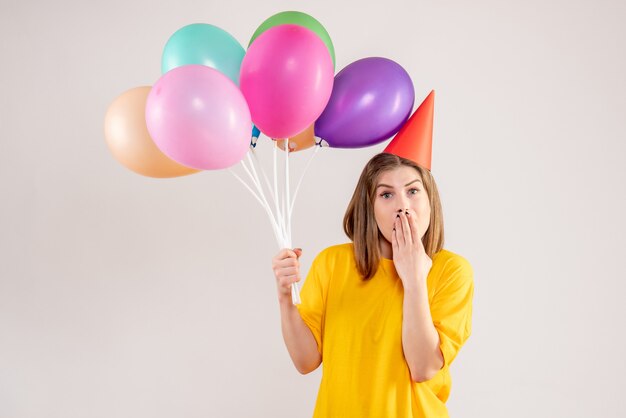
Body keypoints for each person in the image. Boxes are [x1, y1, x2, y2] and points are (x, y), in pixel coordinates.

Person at [272, 91, 474, 417]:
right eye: (386, 194)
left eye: (412, 191)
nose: (402, 206)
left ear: (429, 200)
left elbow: (422, 367)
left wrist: (414, 279)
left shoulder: (452, 271)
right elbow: (305, 361)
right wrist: (285, 297)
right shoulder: (333, 263)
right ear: (370, 206)